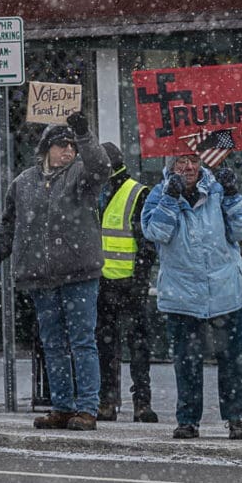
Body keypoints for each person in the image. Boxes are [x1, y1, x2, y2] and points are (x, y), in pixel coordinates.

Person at [0, 113, 110, 431]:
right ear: (46, 149)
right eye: (61, 145)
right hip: (40, 276)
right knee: (52, 344)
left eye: (71, 146)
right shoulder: (23, 183)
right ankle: (63, 406)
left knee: (82, 342)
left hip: (79, 273)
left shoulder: (82, 177)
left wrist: (84, 136)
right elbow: (8, 226)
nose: (68, 151)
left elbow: (102, 167)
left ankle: (88, 407)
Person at [141, 151, 242, 440]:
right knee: (187, 361)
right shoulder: (157, 195)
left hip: (224, 290)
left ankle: (237, 418)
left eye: (193, 160)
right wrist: (169, 200)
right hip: (183, 295)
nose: (188, 167)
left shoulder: (217, 190)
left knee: (232, 360)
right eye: (180, 161)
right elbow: (155, 232)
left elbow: (241, 230)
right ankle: (188, 420)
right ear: (170, 165)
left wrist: (232, 195)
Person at [95, 142, 159, 423]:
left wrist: (140, 278)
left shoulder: (136, 192)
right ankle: (108, 400)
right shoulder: (94, 192)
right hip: (102, 281)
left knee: (136, 344)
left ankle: (140, 402)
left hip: (128, 281)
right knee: (108, 344)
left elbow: (146, 243)